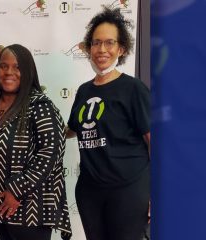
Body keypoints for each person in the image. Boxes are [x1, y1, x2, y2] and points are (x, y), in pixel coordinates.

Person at [0, 44, 72, 240]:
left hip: (28, 209)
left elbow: (51, 154)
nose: (9, 72)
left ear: (28, 71)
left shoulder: (41, 106)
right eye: (3, 66)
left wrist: (16, 190)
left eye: (17, 67)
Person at [65, 7, 150, 240]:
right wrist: (43, 126)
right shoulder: (83, 91)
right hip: (90, 191)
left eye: (109, 43)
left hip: (128, 190)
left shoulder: (133, 89)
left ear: (121, 49)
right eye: (96, 43)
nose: (101, 49)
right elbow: (73, 129)